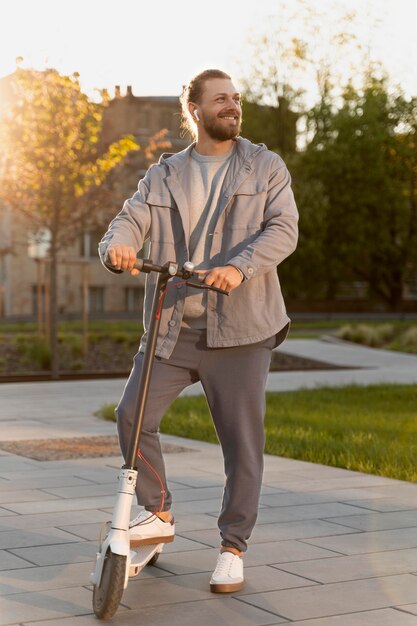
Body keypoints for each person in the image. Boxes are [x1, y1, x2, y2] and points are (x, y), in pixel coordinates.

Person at [99, 68, 298, 593]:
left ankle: (233, 547)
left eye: (236, 98)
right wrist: (116, 246)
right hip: (171, 328)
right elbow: (130, 219)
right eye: (221, 99)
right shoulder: (163, 175)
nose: (232, 106)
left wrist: (239, 267)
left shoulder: (264, 166)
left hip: (241, 329)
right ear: (195, 111)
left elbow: (284, 229)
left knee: (241, 445)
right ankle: (158, 513)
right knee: (130, 416)